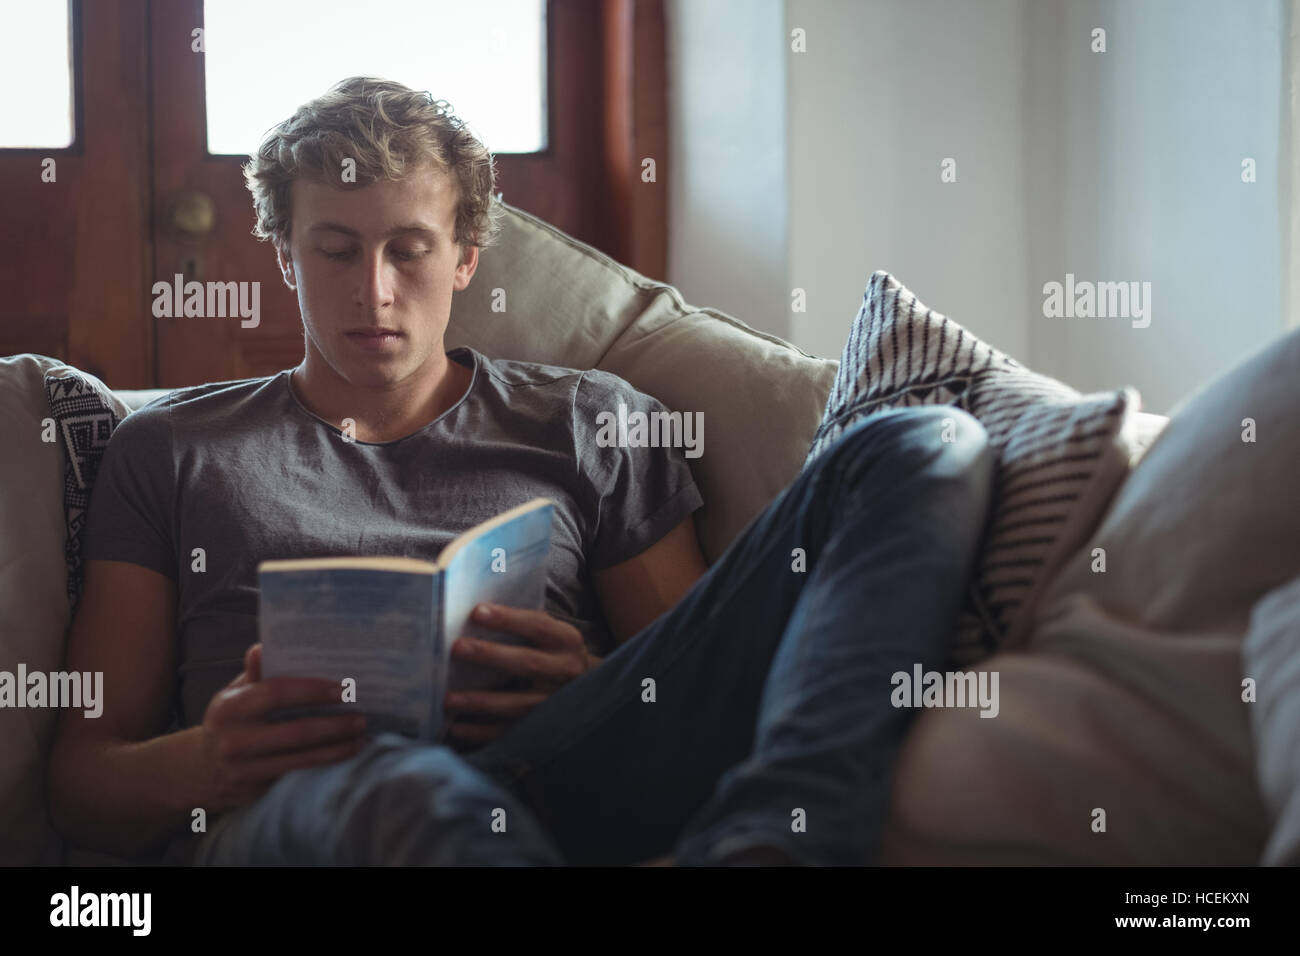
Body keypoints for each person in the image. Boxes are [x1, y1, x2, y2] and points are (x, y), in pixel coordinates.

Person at [46, 77, 995, 866]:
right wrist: (210, 762)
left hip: (555, 767)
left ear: (465, 258)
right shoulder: (168, 452)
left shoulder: (590, 421)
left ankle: (775, 843)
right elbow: (81, 784)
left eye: (408, 251)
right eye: (335, 250)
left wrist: (592, 682)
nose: (372, 290)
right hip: (299, 815)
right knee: (402, 788)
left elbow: (687, 674)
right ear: (286, 256)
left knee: (923, 447)